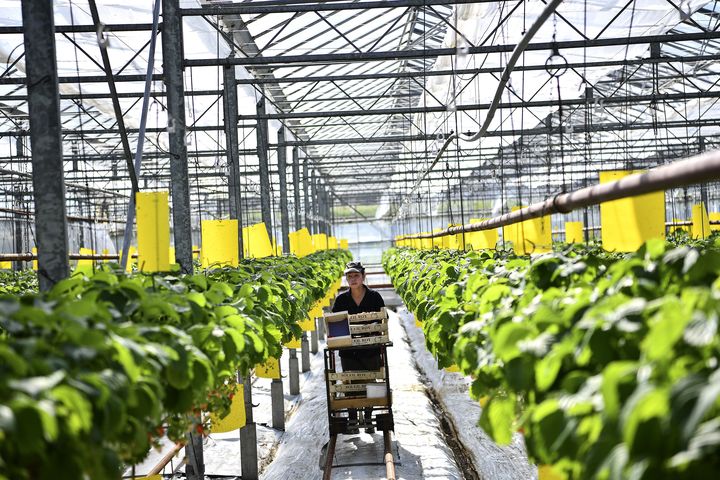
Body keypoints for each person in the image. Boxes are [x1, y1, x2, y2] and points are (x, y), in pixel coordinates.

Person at [331, 260, 385, 434]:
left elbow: (383, 319)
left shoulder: (375, 297)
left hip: (371, 350)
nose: (353, 279)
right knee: (350, 383)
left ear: (363, 276)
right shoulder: (341, 300)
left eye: (356, 275)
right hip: (349, 351)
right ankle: (353, 419)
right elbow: (335, 323)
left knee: (370, 381)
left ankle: (368, 418)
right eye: (349, 276)